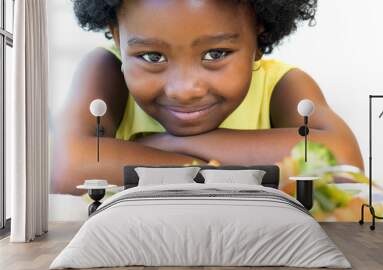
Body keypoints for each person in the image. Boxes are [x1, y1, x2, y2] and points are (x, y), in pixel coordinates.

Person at [51, 0, 363, 194]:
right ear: (118, 37)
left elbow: (344, 164)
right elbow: (68, 168)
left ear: (259, 35)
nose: (184, 90)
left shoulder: (281, 84)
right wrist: (235, 173)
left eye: (215, 54)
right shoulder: (106, 69)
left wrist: (163, 145)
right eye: (152, 57)